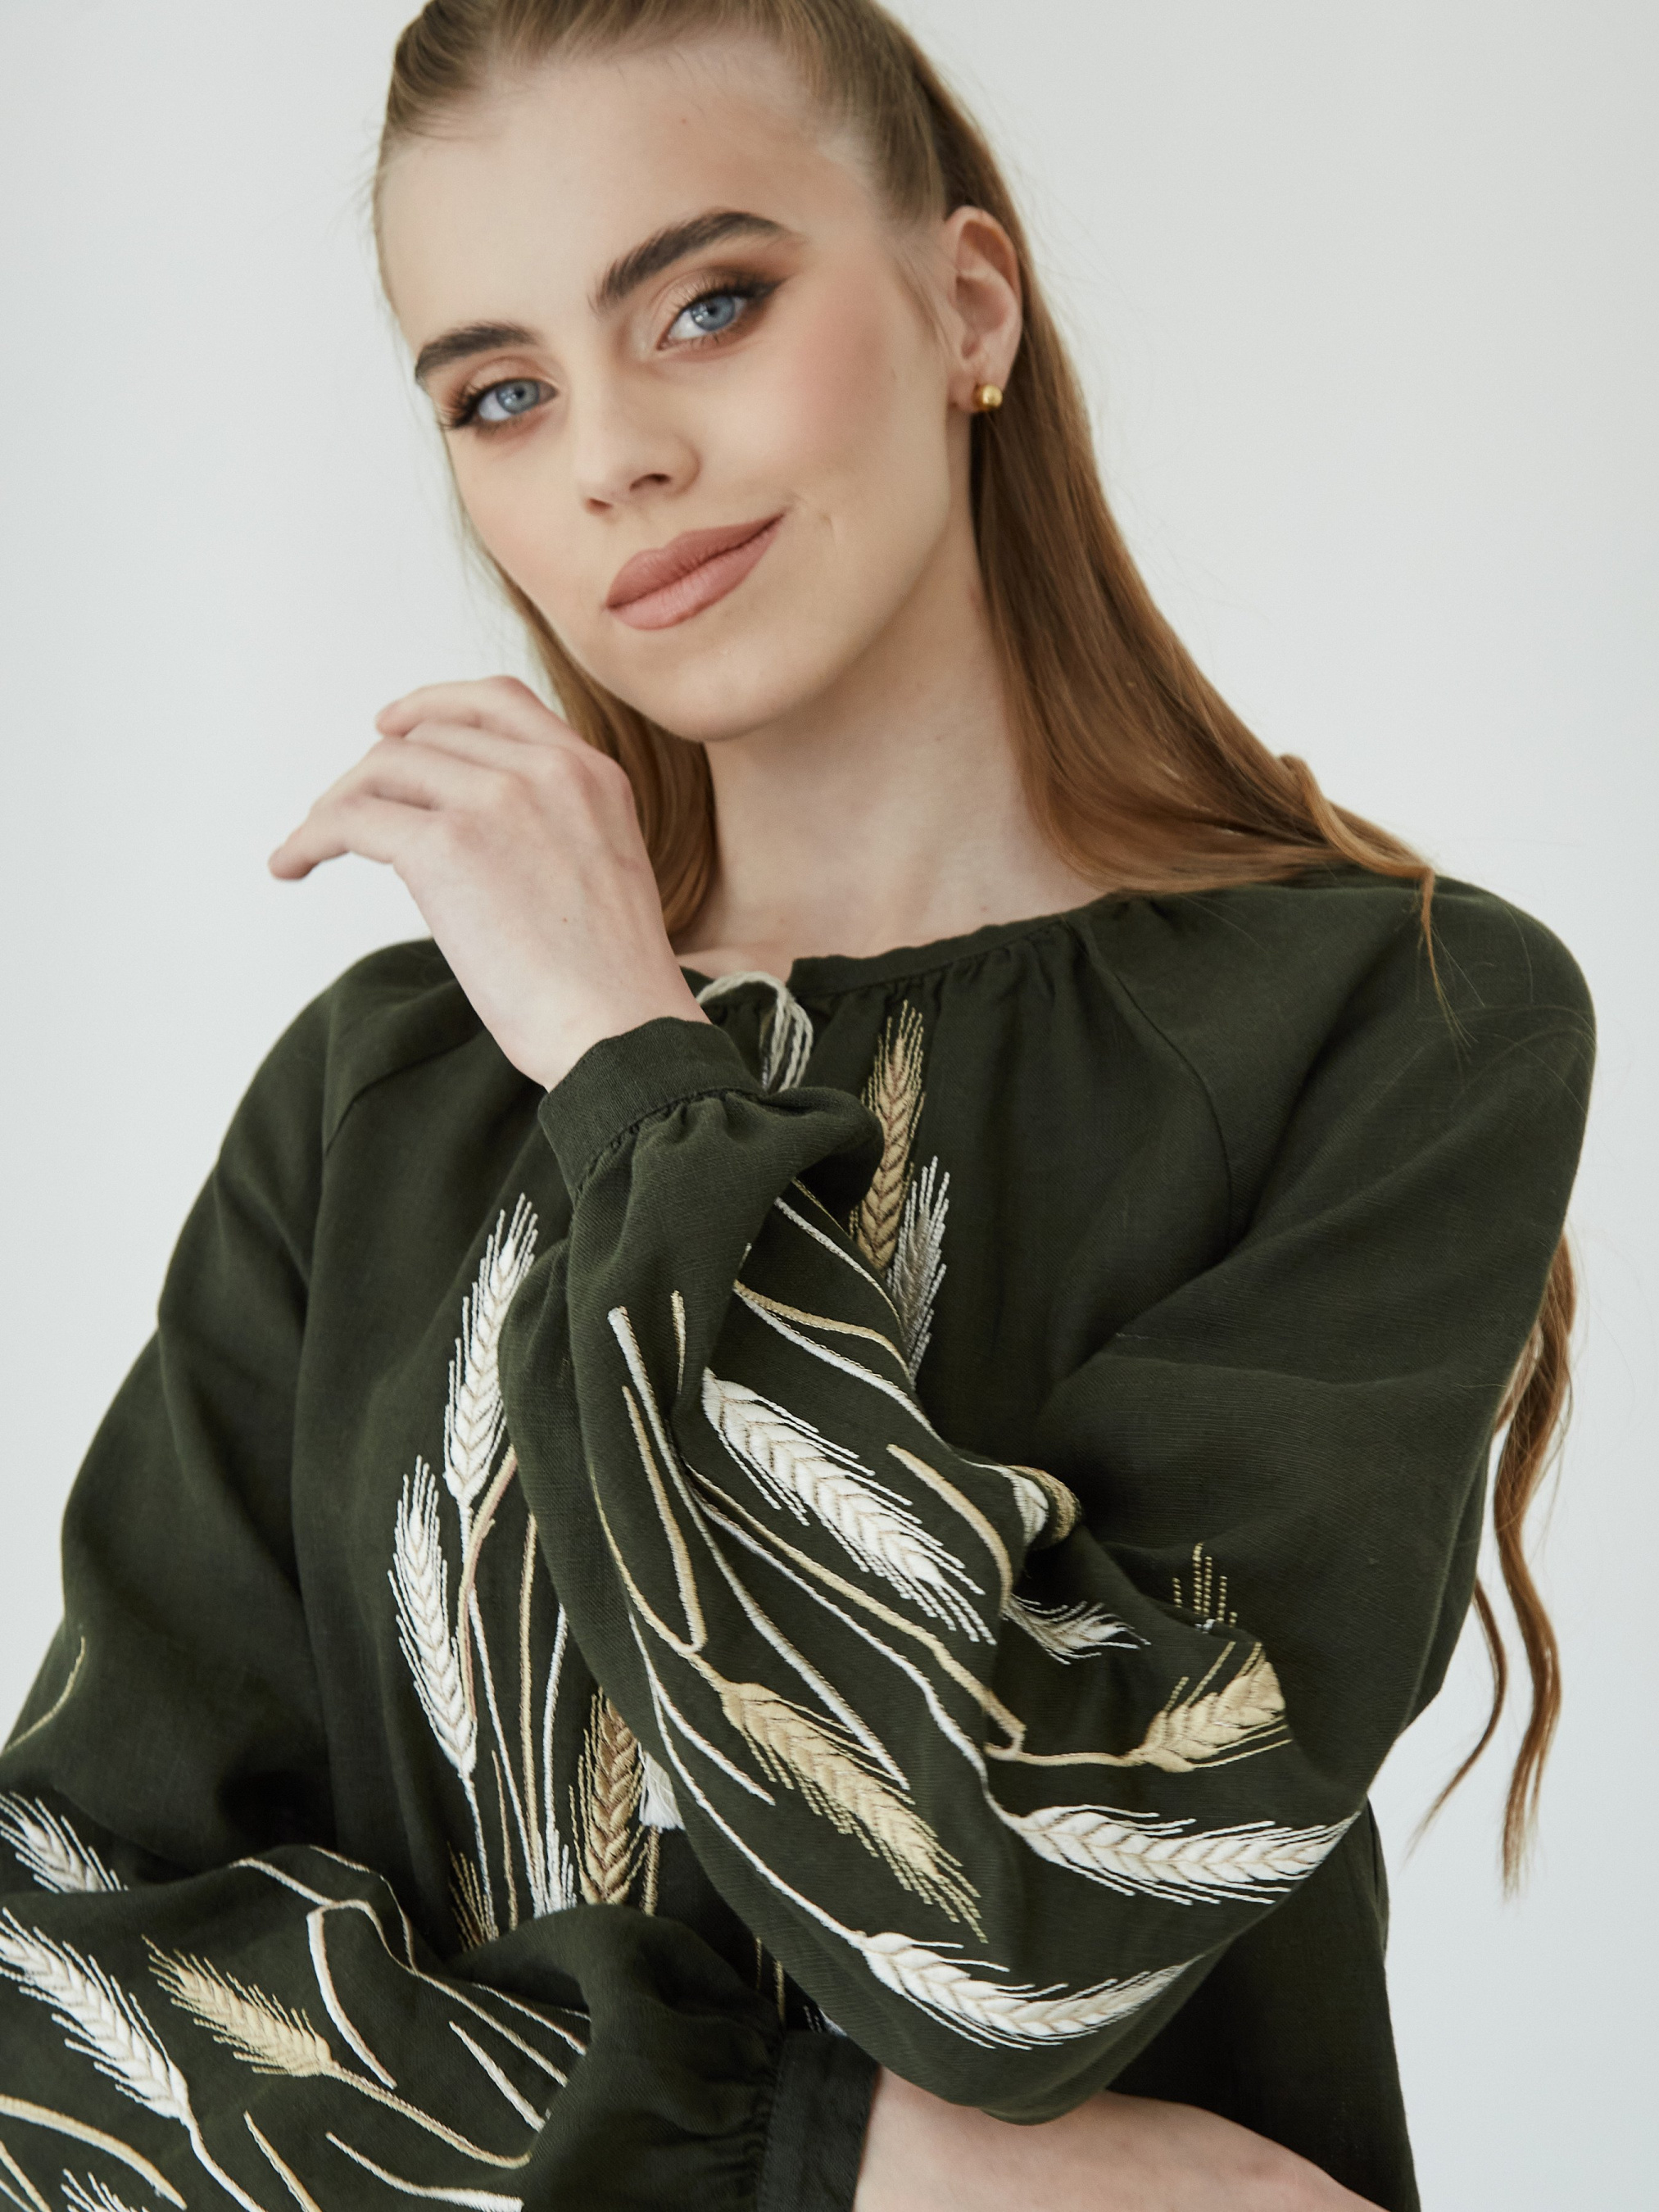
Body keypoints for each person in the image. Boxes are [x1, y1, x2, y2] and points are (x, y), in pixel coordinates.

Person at [0, 2, 1593, 2209]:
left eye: (709, 305)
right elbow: (47, 1991)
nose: (611, 457)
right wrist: (829, 2168)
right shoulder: (386, 1095)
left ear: (968, 305)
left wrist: (630, 1073)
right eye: (500, 392)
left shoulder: (1391, 1020)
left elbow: (1020, 1924)